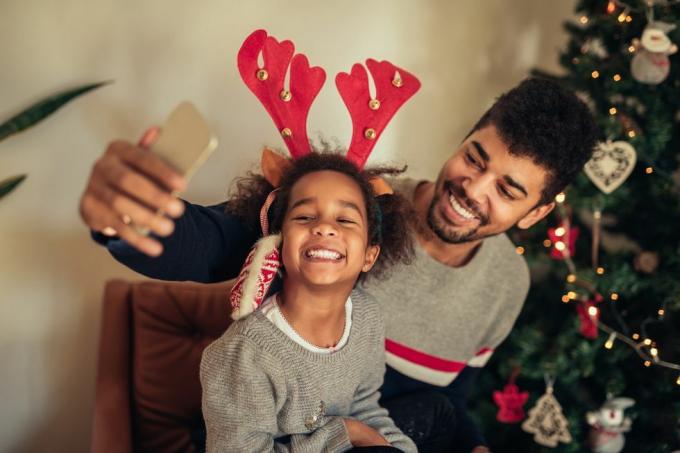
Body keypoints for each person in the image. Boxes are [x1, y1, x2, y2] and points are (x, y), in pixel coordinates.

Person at [81, 77, 598, 452]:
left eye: (508, 190)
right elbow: (210, 242)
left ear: (537, 212)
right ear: (464, 139)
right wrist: (129, 220)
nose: (472, 190)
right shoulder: (352, 207)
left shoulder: (508, 283)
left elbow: (449, 402)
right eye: (474, 159)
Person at [200, 151, 417, 452]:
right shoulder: (245, 354)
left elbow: (366, 408)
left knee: (436, 410)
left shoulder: (368, 316)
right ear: (278, 243)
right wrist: (344, 432)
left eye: (345, 219)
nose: (325, 227)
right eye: (305, 217)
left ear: (369, 255)